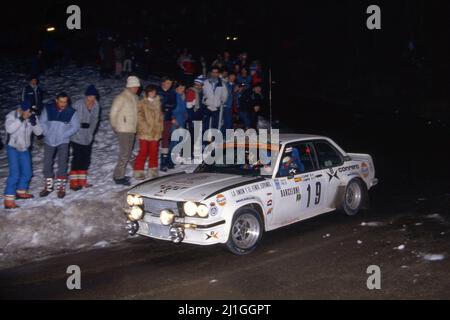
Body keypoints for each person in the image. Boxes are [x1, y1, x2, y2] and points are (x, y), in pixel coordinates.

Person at [39, 93, 80, 198]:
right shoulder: (48, 109)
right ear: (56, 100)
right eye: (61, 101)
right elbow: (42, 122)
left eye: (65, 101)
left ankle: (61, 187)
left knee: (62, 163)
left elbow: (75, 126)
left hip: (63, 141)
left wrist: (64, 135)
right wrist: (47, 133)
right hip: (49, 140)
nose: (63, 104)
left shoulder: (71, 112)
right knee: (47, 163)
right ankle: (48, 186)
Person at [4, 100, 43, 209]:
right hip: (13, 148)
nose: (28, 112)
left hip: (25, 148)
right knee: (15, 174)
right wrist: (21, 119)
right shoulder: (12, 115)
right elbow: (9, 129)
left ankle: (21, 191)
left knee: (28, 172)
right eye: (26, 110)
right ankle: (8, 200)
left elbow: (39, 133)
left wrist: (34, 123)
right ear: (21, 109)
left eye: (29, 110)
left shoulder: (32, 116)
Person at [110, 76, 141, 186]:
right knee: (125, 154)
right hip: (123, 129)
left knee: (128, 152)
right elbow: (113, 112)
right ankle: (118, 176)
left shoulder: (135, 98)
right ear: (130, 86)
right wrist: (114, 125)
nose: (137, 88)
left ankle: (124, 173)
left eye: (138, 86)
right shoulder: (121, 97)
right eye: (135, 86)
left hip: (131, 129)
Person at [69, 85, 100, 191]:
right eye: (90, 96)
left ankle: (82, 180)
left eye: (94, 96)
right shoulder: (77, 104)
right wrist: (74, 129)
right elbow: (69, 118)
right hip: (77, 134)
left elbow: (95, 120)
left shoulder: (96, 105)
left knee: (85, 158)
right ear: (86, 96)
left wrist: (91, 133)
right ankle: (74, 182)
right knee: (77, 158)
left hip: (88, 135)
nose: (92, 99)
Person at [133, 85, 163, 180]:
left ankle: (153, 170)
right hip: (145, 133)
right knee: (143, 151)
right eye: (150, 92)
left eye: (154, 92)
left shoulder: (158, 102)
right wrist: (146, 127)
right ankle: (138, 170)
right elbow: (139, 117)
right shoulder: (142, 103)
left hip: (155, 132)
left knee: (154, 151)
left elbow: (161, 117)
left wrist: (160, 128)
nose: (152, 93)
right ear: (147, 93)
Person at [158, 77, 177, 172]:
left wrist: (166, 107)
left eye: (170, 83)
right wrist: (165, 107)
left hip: (167, 119)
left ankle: (164, 162)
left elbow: (174, 104)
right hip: (158, 120)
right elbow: (158, 105)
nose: (169, 85)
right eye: (167, 83)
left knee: (166, 141)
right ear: (163, 83)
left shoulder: (172, 93)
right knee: (156, 140)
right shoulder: (158, 92)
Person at [202, 67, 228, 134]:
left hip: (216, 108)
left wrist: (220, 102)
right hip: (207, 106)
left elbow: (225, 95)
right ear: (211, 73)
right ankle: (205, 142)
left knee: (215, 125)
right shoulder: (205, 82)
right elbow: (201, 93)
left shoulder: (222, 84)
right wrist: (204, 100)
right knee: (205, 125)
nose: (214, 74)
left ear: (218, 74)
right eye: (213, 72)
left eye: (216, 72)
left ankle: (213, 141)